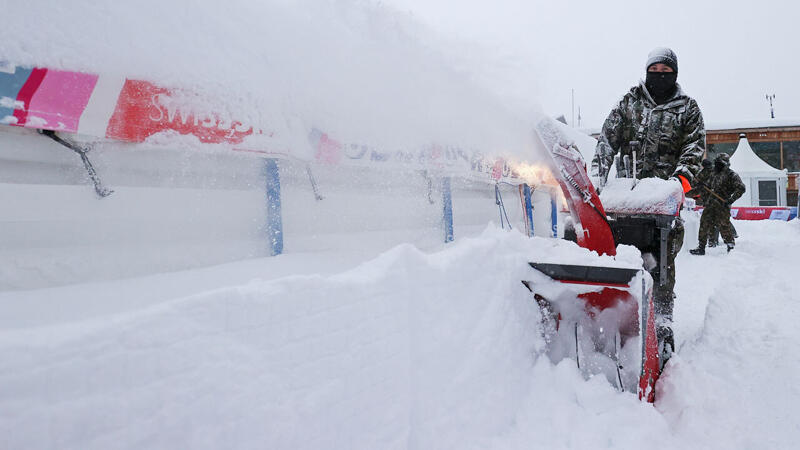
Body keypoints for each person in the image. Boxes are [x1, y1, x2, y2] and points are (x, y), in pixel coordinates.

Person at [592, 47, 704, 355]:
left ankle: (661, 320)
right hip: (626, 201)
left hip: (664, 203)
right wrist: (596, 181)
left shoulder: (688, 109)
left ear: (675, 74)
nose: (660, 76)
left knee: (662, 261)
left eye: (666, 72)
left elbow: (695, 149)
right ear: (646, 72)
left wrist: (679, 183)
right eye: (655, 71)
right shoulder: (629, 103)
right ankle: (615, 313)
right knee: (619, 258)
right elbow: (606, 141)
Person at [690, 153, 745, 255]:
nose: (716, 165)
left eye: (718, 163)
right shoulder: (714, 174)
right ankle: (701, 247)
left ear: (724, 163)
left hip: (723, 205)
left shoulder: (731, 175)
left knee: (724, 225)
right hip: (710, 204)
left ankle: (730, 246)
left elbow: (741, 188)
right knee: (704, 224)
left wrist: (731, 200)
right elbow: (709, 185)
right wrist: (702, 185)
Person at [687, 159, 721, 246]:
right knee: (717, 220)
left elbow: (694, 184)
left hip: (709, 200)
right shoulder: (716, 172)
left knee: (708, 222)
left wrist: (700, 184)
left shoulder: (702, 173)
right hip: (717, 200)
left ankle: (711, 241)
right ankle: (713, 241)